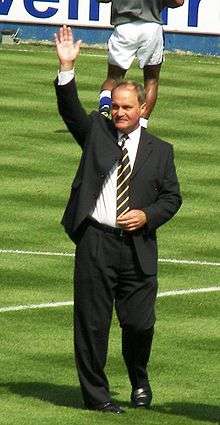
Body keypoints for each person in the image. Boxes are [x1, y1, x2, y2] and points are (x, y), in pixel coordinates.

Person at [54, 25, 182, 414]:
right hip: (96, 240)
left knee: (140, 324)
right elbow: (71, 111)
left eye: (128, 107)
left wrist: (148, 215)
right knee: (92, 324)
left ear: (143, 108)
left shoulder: (161, 151)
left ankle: (139, 380)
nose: (120, 113)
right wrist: (66, 69)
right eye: (115, 106)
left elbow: (172, 198)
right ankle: (97, 397)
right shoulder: (97, 132)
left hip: (138, 246)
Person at [98, 0, 185, 127]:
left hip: (124, 26)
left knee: (113, 78)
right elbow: (178, 2)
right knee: (151, 80)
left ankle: (105, 106)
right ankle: (142, 124)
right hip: (151, 27)